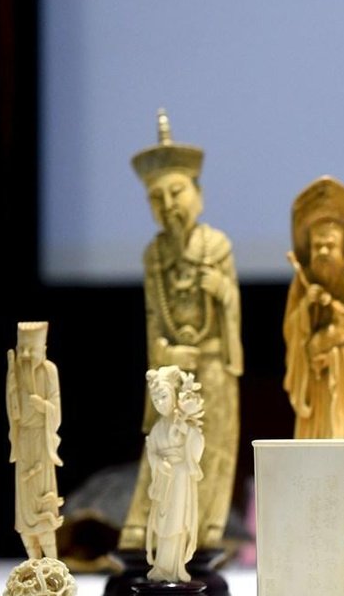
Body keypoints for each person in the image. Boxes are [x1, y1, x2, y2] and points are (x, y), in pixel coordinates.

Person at [121, 109, 242, 550]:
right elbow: (155, 320)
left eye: (177, 192)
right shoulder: (154, 256)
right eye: (157, 198)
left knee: (212, 446)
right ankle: (148, 529)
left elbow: (232, 312)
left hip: (212, 365)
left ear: (198, 194)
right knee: (164, 448)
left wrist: (222, 292)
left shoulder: (216, 245)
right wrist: (166, 354)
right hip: (172, 369)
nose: (169, 205)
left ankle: (208, 527)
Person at [283, 176, 344, 439]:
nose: (322, 252)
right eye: (316, 246)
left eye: (330, 246)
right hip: (313, 383)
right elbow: (290, 331)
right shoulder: (302, 282)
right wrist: (306, 307)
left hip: (338, 385)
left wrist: (333, 354)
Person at [7, 321, 64, 559]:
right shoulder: (16, 372)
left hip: (42, 438)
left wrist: (44, 406)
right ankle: (32, 561)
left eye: (32, 349)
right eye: (23, 349)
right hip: (24, 440)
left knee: (43, 498)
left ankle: (52, 562)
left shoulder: (49, 370)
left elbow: (56, 407)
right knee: (25, 505)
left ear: (44, 349)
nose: (27, 355)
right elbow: (12, 410)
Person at [144, 366, 204, 583]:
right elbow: (152, 450)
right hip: (164, 479)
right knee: (161, 524)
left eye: (163, 397)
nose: (160, 403)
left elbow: (197, 443)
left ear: (173, 395)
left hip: (180, 477)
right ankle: (161, 568)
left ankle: (176, 568)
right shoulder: (157, 428)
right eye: (155, 400)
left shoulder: (184, 422)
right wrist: (158, 462)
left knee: (176, 523)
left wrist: (185, 429)